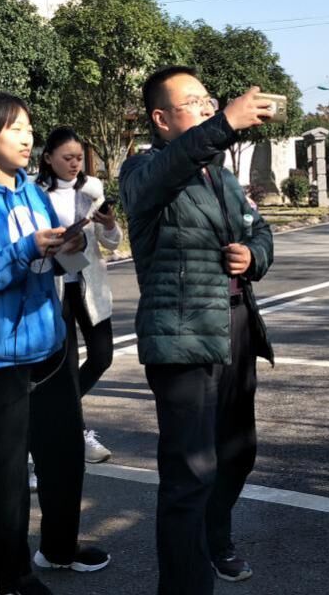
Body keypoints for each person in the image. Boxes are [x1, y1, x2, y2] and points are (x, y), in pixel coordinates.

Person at [0, 91, 109, 595]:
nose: (26, 136)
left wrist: (68, 247)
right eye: (13, 128)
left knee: (62, 457)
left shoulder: (31, 193)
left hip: (50, 346)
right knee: (9, 476)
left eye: (28, 128)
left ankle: (58, 546)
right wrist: (23, 250)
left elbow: (49, 260)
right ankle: (12, 577)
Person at [120, 66, 276, 593]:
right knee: (190, 472)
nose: (209, 108)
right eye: (195, 102)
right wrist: (226, 123)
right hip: (182, 335)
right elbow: (161, 177)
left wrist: (251, 255)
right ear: (162, 119)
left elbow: (261, 230)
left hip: (234, 323)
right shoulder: (143, 171)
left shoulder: (220, 175)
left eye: (210, 101)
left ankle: (216, 538)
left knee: (238, 451)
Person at [35, 126, 121, 465]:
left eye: (79, 158)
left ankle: (59, 417)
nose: (74, 163)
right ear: (48, 159)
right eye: (67, 158)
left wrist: (110, 224)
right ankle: (77, 431)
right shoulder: (35, 193)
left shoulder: (92, 190)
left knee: (102, 356)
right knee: (66, 366)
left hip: (90, 286)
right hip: (55, 288)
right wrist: (58, 243)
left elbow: (111, 243)